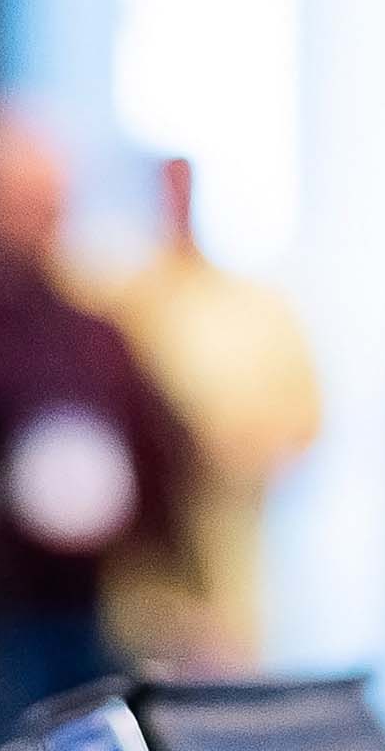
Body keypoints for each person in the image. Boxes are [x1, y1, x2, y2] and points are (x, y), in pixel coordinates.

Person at [0, 105, 191, 751]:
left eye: (47, 203)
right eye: (18, 201)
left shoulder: (94, 334)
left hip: (91, 611)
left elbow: (160, 453)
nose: (36, 220)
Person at [82, 156, 323, 671]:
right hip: (134, 587)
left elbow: (302, 427)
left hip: (227, 574)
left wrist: (224, 448)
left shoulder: (257, 309)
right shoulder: (114, 300)